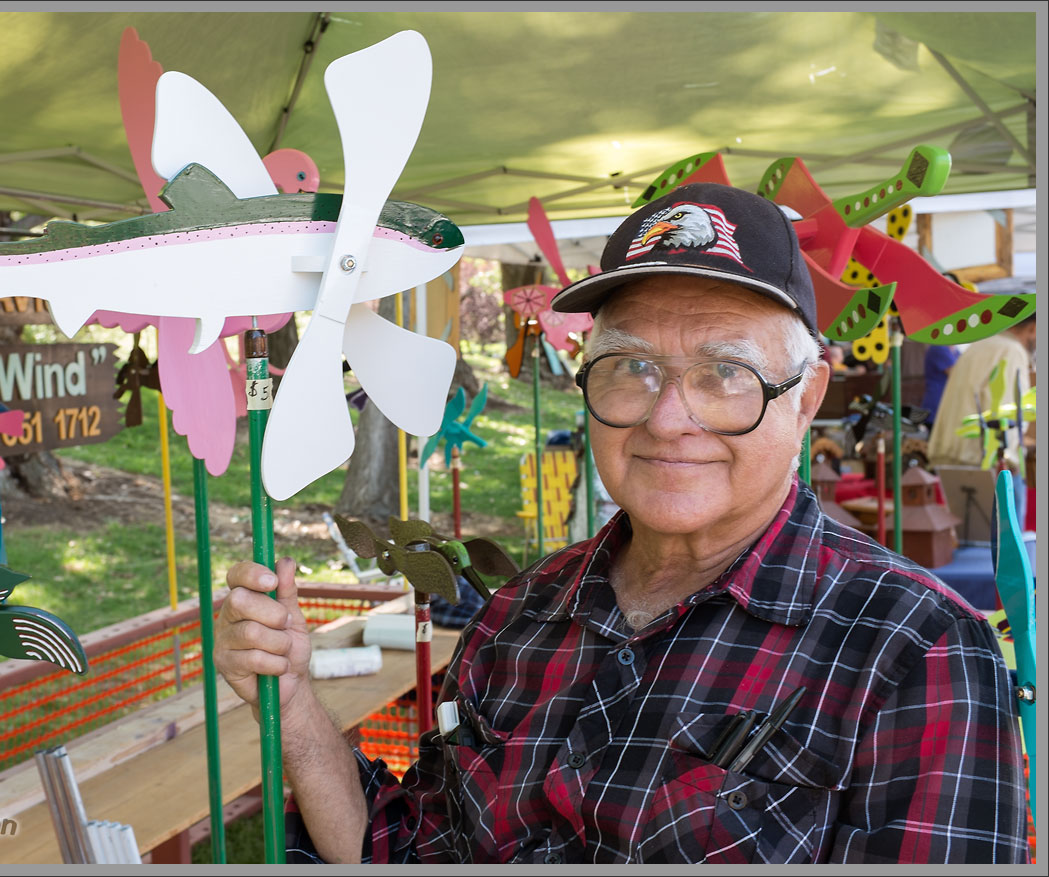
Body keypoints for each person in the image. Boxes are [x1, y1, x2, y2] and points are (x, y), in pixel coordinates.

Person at [215, 183, 1029, 864]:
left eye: (724, 373)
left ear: (806, 396)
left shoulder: (914, 651)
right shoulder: (517, 618)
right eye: (631, 367)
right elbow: (397, 848)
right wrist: (290, 699)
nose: (668, 418)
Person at [927, 315, 1035, 470]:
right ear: (1033, 328)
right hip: (984, 459)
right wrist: (1010, 457)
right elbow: (1007, 412)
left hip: (954, 453)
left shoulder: (983, 344)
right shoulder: (1010, 350)